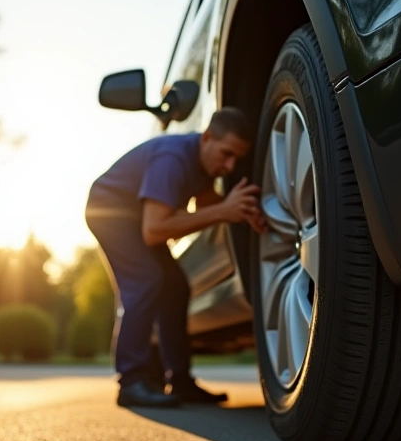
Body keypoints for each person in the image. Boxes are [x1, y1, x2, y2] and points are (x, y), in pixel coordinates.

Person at [86, 107, 267, 408]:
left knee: (176, 287)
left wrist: (245, 212)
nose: (229, 165)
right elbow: (155, 230)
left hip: (140, 220)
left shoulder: (205, 164)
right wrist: (224, 210)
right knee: (146, 281)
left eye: (237, 157)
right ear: (207, 137)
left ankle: (180, 382)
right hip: (110, 211)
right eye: (226, 154)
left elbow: (209, 207)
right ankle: (130, 382)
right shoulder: (172, 159)